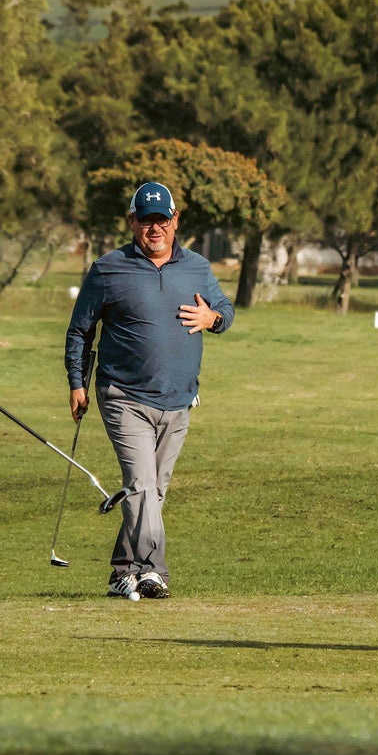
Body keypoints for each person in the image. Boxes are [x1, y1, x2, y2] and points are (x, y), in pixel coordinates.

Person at [64, 181, 234, 600]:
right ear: (132, 222)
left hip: (179, 399)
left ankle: (123, 571)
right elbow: (80, 331)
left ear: (176, 221)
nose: (154, 228)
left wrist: (213, 318)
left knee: (153, 490)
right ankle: (154, 570)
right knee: (141, 485)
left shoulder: (197, 267)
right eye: (146, 220)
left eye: (162, 220)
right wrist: (76, 383)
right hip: (123, 395)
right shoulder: (108, 269)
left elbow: (226, 311)